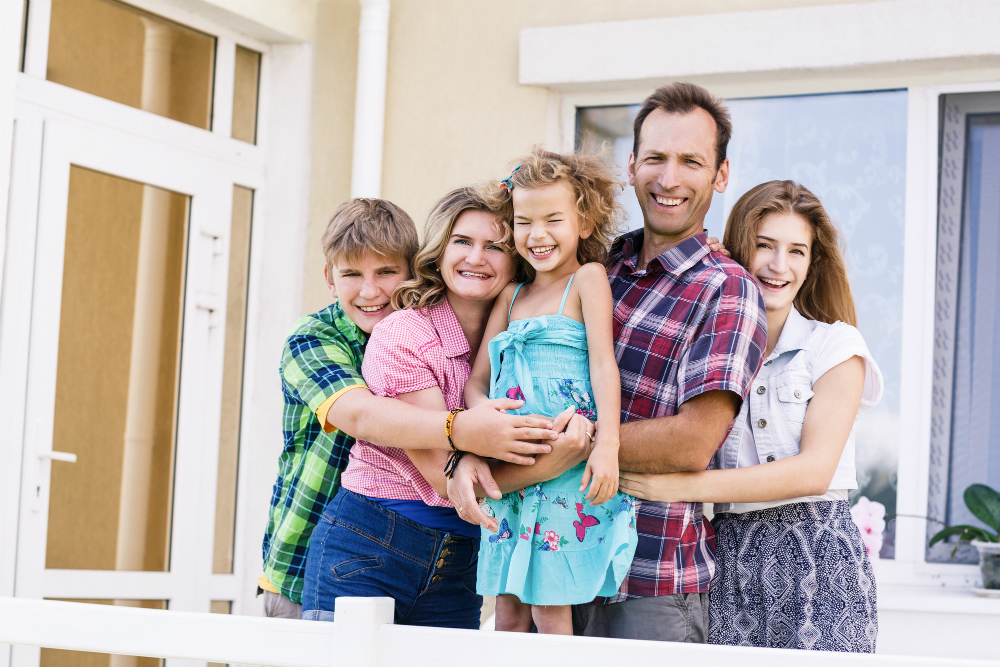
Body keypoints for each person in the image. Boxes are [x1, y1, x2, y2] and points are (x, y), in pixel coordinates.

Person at [449, 82, 767, 643]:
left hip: (650, 578)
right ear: (631, 164)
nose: (669, 178)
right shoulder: (594, 265)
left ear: (719, 176)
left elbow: (693, 441)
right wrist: (472, 446)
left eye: (690, 161)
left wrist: (576, 439)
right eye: (655, 158)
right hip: (540, 537)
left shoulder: (726, 289)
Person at [300, 187, 596, 627]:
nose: (476, 258)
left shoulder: (525, 343)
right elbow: (446, 479)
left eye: (494, 246)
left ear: (517, 257)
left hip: (461, 560)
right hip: (374, 546)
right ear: (439, 252)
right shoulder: (404, 333)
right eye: (462, 242)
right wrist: (559, 462)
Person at [619, 180, 883, 652]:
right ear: (741, 247)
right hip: (728, 554)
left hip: (817, 556)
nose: (779, 265)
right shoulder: (712, 348)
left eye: (796, 251)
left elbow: (814, 471)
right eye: (764, 246)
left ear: (811, 263)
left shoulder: (835, 347)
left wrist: (681, 487)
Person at [466, 150, 637, 635]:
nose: (537, 235)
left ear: (583, 222)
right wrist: (485, 417)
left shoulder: (587, 280)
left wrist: (608, 444)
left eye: (553, 220)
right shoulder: (511, 295)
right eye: (524, 222)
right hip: (512, 460)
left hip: (565, 465)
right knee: (507, 611)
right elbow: (477, 381)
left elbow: (604, 366)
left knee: (549, 605)